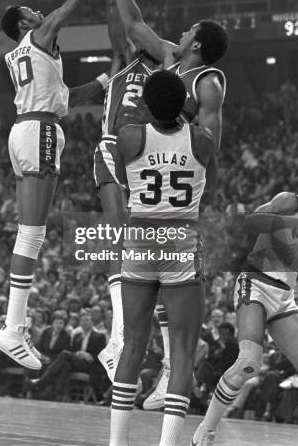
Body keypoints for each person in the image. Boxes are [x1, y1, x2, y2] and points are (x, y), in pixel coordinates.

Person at [97, 0, 229, 407]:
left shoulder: (208, 84)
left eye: (191, 29)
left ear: (198, 44)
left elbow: (211, 147)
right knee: (149, 291)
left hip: (184, 199)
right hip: (153, 184)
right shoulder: (172, 60)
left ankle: (175, 373)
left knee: (176, 299)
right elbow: (133, 25)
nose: (183, 29)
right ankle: (163, 373)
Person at [0, 0, 112, 370]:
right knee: (33, 233)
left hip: (26, 130)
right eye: (31, 10)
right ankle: (13, 326)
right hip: (38, 132)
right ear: (25, 24)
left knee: (30, 232)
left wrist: (104, 81)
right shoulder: (39, 38)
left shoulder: (31, 57)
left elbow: (63, 98)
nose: (40, 11)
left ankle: (13, 325)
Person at [109, 70, 216, 446]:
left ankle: (116, 442)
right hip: (181, 242)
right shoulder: (202, 140)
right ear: (185, 102)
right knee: (183, 351)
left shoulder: (129, 136)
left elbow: (124, 180)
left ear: (146, 103)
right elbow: (210, 187)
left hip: (140, 240)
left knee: (133, 344)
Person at [192, 171, 298, 446]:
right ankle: (206, 431)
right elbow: (251, 220)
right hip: (255, 282)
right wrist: (291, 224)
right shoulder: (290, 201)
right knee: (248, 363)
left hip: (284, 297)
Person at [94, 0, 159, 380]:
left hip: (146, 156)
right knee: (121, 239)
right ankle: (118, 338)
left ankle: (132, 341)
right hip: (115, 147)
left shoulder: (167, 69)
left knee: (144, 250)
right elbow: (119, 17)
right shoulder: (122, 59)